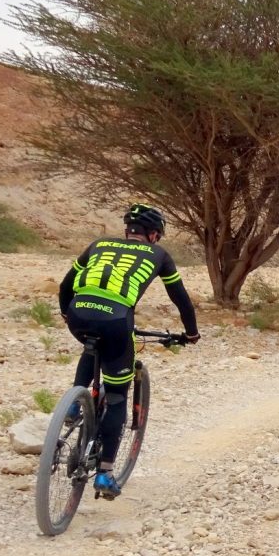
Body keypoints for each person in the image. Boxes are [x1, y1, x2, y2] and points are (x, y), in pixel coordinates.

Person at [58, 203, 200, 499]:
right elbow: (181, 299)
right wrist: (191, 333)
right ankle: (106, 473)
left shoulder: (99, 244)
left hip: (78, 313)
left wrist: (66, 313)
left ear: (127, 231)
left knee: (91, 343)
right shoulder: (159, 255)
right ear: (154, 235)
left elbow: (66, 285)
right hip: (117, 320)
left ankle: (73, 405)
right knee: (117, 396)